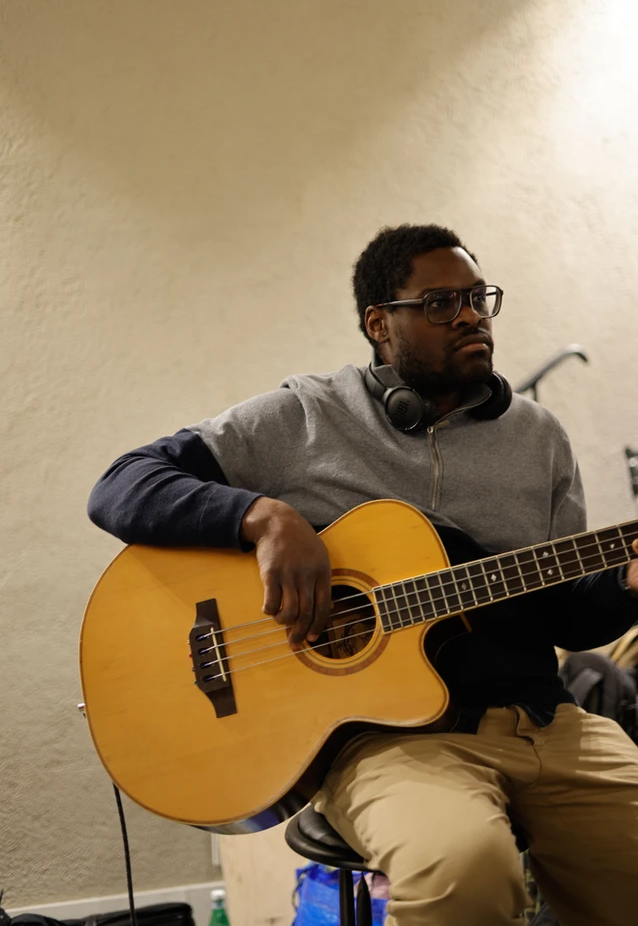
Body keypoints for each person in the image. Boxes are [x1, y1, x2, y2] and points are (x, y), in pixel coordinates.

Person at [88, 224, 638, 926]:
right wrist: (262, 518)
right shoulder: (306, 416)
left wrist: (624, 585)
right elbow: (123, 483)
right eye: (441, 303)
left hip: (544, 723)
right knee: (466, 874)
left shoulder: (539, 438)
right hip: (392, 744)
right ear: (381, 323)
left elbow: (563, 611)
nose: (470, 315)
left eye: (478, 298)